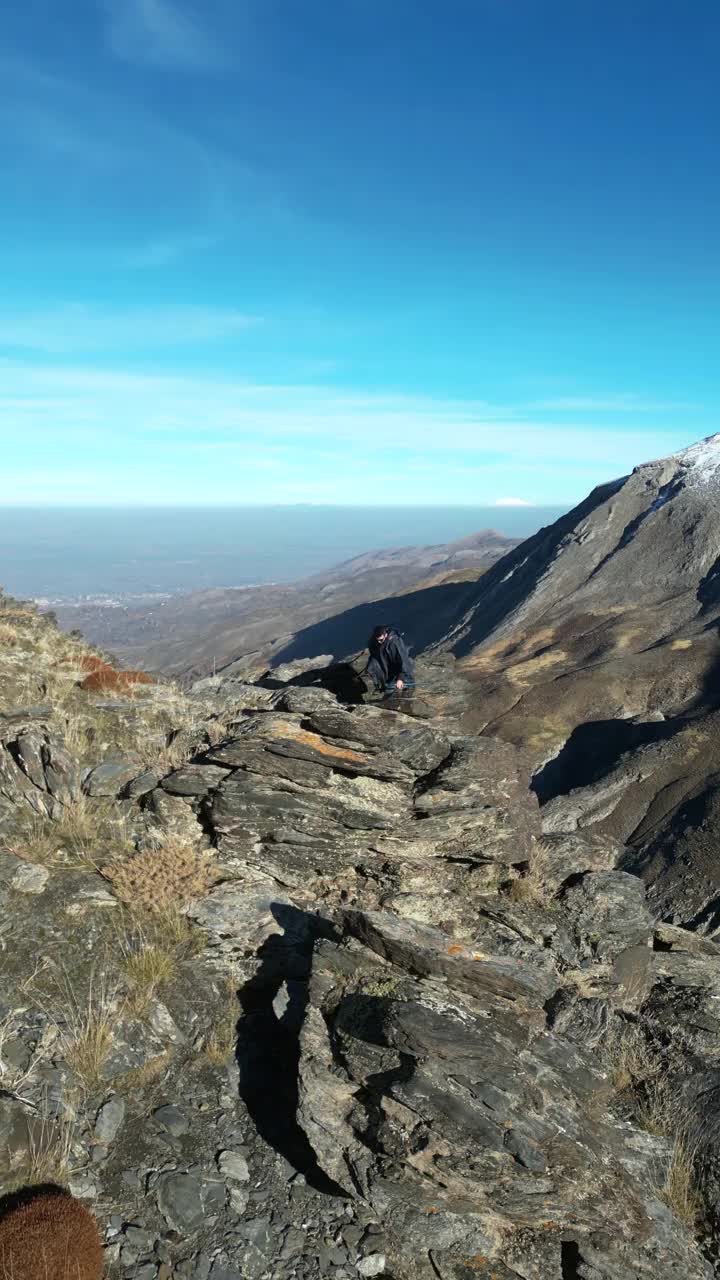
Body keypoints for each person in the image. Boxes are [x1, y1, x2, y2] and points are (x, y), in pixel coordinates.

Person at [365, 623, 415, 695]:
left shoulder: (395, 642)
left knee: (406, 694)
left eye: (381, 640)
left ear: (385, 635)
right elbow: (374, 661)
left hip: (403, 673)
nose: (379, 642)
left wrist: (400, 678)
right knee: (390, 694)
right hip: (390, 674)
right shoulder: (376, 644)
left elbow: (403, 661)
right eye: (377, 640)